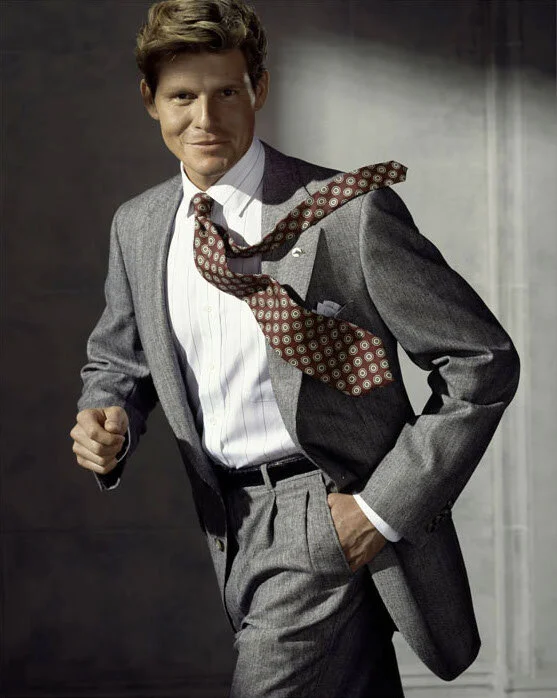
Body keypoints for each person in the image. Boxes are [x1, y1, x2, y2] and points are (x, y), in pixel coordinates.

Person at [69, 1, 520, 696]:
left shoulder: (344, 213)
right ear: (150, 100)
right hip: (226, 519)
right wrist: (110, 415)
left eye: (226, 92)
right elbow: (120, 360)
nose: (205, 119)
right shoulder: (139, 226)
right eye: (182, 97)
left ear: (260, 89)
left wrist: (377, 511)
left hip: (321, 514)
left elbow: (481, 361)